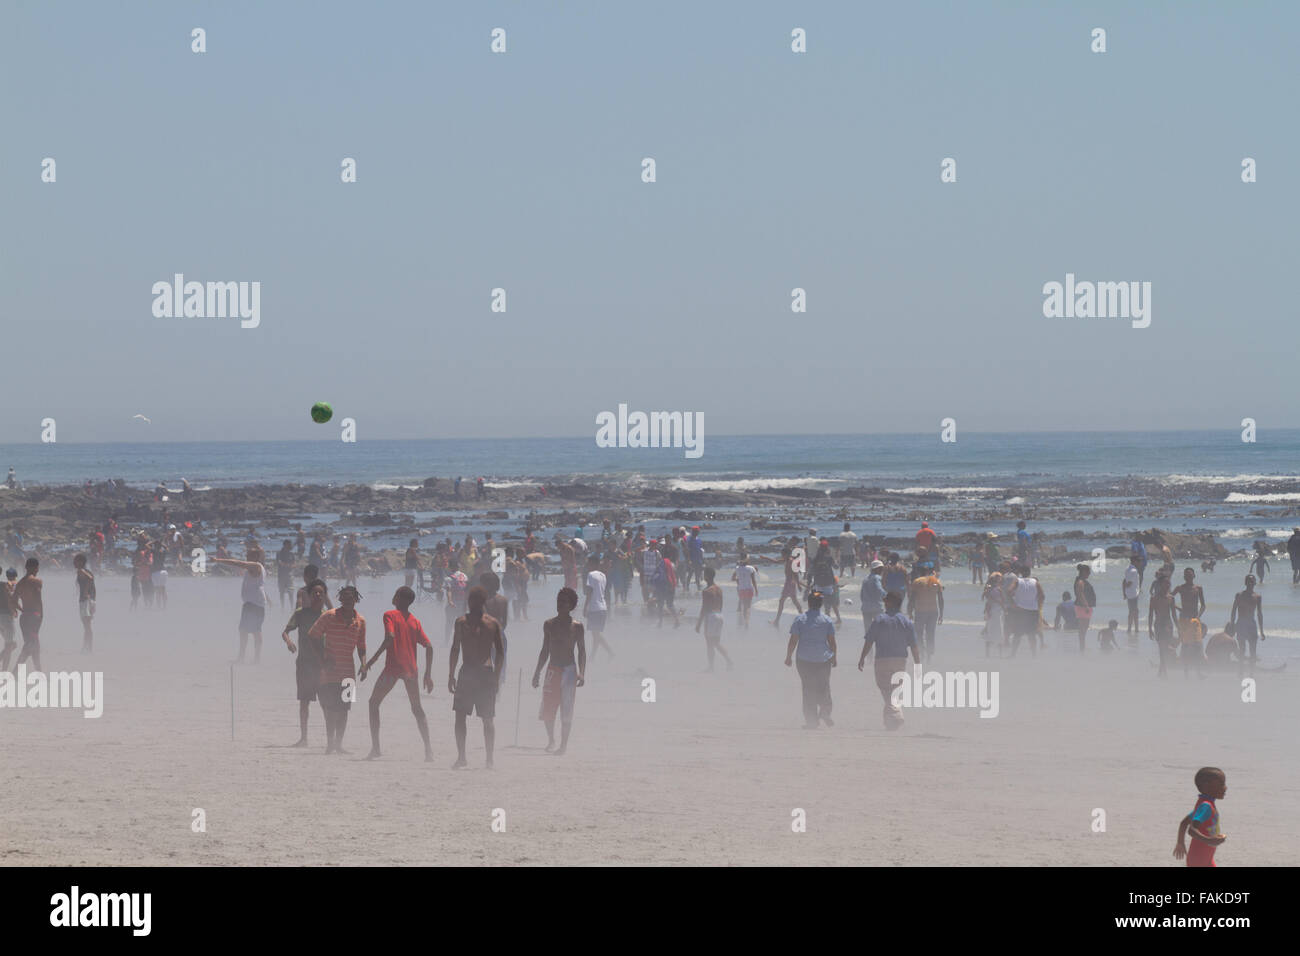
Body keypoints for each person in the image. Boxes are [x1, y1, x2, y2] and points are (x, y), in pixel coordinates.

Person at [360, 586, 434, 761]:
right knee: (417, 708)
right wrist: (427, 674)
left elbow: (390, 637)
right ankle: (428, 751)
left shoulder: (389, 615)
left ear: (400, 598)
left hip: (393, 668)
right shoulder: (415, 621)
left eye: (396, 594)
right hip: (411, 670)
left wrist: (371, 661)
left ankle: (376, 748)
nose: (393, 597)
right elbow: (429, 646)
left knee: (373, 703)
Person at [448, 585, 505, 769]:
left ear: (481, 602)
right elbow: (455, 648)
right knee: (462, 717)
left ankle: (488, 759)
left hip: (481, 673)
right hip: (470, 673)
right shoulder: (462, 622)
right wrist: (450, 674)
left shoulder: (491, 623)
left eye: (475, 601)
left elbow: (500, 652)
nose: (472, 604)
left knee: (487, 718)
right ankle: (463, 757)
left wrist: (496, 678)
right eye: (471, 601)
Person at [308, 585, 367, 754]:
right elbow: (312, 636)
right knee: (330, 708)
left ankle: (339, 744)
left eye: (351, 599)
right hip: (329, 672)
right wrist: (322, 659)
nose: (348, 601)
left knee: (344, 709)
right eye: (345, 598)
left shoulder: (360, 621)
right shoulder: (329, 616)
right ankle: (329, 744)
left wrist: (364, 665)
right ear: (340, 599)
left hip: (348, 673)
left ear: (356, 600)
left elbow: (362, 647)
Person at [532, 587, 586, 755]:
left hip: (569, 671)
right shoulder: (549, 624)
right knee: (548, 708)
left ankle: (563, 745)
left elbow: (582, 651)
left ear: (571, 606)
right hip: (552, 670)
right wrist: (537, 672)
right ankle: (551, 740)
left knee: (567, 709)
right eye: (558, 601)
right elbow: (544, 650)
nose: (560, 605)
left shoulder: (577, 627)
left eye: (563, 602)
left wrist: (582, 673)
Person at [859, 591, 920, 730]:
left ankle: (897, 715)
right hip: (900, 660)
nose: (884, 602)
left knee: (886, 690)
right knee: (895, 690)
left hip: (882, 660)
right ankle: (890, 722)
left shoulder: (879, 619)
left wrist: (862, 657)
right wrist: (917, 664)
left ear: (891, 602)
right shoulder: (906, 621)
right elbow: (914, 646)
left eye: (886, 600)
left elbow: (869, 641)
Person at [282, 579, 328, 746]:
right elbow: (285, 631)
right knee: (304, 701)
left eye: (320, 593)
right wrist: (289, 642)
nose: (317, 595)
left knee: (326, 702)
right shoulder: (301, 613)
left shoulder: (327, 616)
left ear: (324, 596)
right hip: (304, 663)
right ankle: (304, 738)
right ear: (308, 595)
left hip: (322, 665)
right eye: (314, 593)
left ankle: (330, 739)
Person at [785, 590, 837, 730]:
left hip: (804, 660)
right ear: (821, 604)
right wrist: (834, 657)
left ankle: (812, 721)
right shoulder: (827, 620)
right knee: (824, 687)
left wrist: (788, 656)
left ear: (808, 603)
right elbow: (832, 642)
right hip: (823, 659)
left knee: (808, 689)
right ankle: (825, 712)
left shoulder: (800, 619)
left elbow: (793, 641)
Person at [211, 556, 272, 664]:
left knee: (252, 631)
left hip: (253, 603)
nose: (247, 557)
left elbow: (236, 563)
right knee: (249, 630)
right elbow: (259, 585)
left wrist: (218, 560)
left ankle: (249, 658)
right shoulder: (258, 568)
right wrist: (268, 599)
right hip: (254, 602)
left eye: (250, 554)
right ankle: (247, 658)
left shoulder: (256, 565)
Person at [1173, 768, 1227, 867]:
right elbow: (1192, 830)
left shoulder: (1204, 804)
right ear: (1207, 786)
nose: (1225, 788)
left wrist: (1180, 843)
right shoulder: (1206, 806)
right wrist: (1209, 840)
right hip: (1199, 860)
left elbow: (1184, 823)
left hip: (1205, 858)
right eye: (1221, 784)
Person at [694, 567, 733, 672]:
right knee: (716, 642)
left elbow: (704, 608)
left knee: (710, 644)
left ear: (706, 576)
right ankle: (727, 661)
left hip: (711, 616)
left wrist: (699, 624)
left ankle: (713, 666)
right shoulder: (719, 589)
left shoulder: (706, 591)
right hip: (720, 616)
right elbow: (721, 605)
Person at [12, 558, 43, 672]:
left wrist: (22, 610)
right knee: (32, 645)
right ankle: (15, 671)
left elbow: (13, 600)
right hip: (34, 617)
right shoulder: (37, 581)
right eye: (37, 567)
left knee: (32, 645)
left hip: (24, 618)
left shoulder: (20, 583)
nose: (38, 570)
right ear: (35, 567)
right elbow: (39, 601)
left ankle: (38, 671)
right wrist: (41, 616)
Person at [1229, 574, 1264, 674]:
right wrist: (1232, 624)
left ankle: (1252, 673)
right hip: (1241, 623)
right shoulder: (1239, 595)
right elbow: (1233, 610)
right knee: (1242, 650)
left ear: (1254, 583)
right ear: (1245, 583)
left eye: (1252, 581)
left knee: (1253, 650)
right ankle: (1241, 671)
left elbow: (1259, 614)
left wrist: (1261, 631)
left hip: (1252, 624)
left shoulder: (1257, 597)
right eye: (1248, 581)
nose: (1250, 583)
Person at [907, 565, 943, 661]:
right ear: (929, 573)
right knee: (930, 633)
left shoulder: (917, 582)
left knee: (919, 633)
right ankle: (929, 656)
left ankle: (921, 653)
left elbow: (912, 599)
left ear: (920, 573)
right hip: (933, 612)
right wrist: (941, 614)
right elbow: (940, 599)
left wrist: (909, 612)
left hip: (920, 611)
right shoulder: (936, 581)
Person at [1008, 564, 1044, 657]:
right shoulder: (1035, 582)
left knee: (1017, 634)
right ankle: (1034, 655)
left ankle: (1013, 654)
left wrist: (1013, 604)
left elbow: (1008, 591)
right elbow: (1042, 595)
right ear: (1029, 572)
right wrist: (1037, 605)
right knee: (1032, 634)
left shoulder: (1017, 581)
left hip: (1020, 611)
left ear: (1020, 572)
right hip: (1033, 612)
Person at [1148, 574, 1178, 678]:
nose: (1168, 585)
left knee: (1164, 647)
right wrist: (1149, 629)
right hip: (1158, 625)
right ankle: (1162, 667)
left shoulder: (1171, 598)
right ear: (1160, 584)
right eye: (1166, 583)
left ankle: (1162, 668)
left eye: (1169, 583)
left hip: (1168, 625)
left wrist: (1178, 627)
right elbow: (1151, 614)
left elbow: (1174, 614)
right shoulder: (1154, 598)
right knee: (1161, 647)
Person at [583, 555, 612, 661]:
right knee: (596, 635)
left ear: (593, 564)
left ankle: (610, 652)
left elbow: (589, 592)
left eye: (589, 564)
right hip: (603, 608)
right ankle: (592, 657)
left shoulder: (590, 574)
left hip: (594, 608)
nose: (587, 566)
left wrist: (585, 607)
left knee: (596, 634)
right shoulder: (603, 575)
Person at [74, 553, 96, 654]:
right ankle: (85, 647)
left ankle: (89, 648)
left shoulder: (81, 571)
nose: (74, 562)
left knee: (87, 626)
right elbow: (91, 580)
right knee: (87, 626)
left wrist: (86, 593)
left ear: (81, 562)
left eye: (76, 561)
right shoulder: (87, 571)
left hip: (85, 601)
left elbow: (90, 579)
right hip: (91, 600)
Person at [1072, 564, 1096, 653]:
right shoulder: (1080, 582)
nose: (1089, 573)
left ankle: (1082, 646)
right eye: (1088, 572)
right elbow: (1080, 594)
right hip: (1083, 607)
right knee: (1083, 628)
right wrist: (1086, 605)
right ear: (1084, 572)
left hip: (1084, 607)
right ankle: (1082, 647)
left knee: (1084, 628)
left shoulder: (1081, 580)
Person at [858, 559, 887, 633]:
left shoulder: (865, 579)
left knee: (868, 630)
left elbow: (861, 595)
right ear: (877, 569)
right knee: (880, 630)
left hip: (865, 607)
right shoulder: (877, 578)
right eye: (881, 569)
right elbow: (879, 590)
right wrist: (888, 597)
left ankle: (868, 644)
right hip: (876, 607)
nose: (882, 571)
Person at [982, 571, 1004, 657]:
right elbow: (996, 602)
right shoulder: (997, 589)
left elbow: (988, 602)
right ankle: (1000, 654)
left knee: (990, 632)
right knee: (999, 632)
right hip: (996, 613)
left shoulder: (989, 589)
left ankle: (988, 654)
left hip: (992, 613)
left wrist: (986, 612)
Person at [732, 553, 758, 629]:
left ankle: (745, 620)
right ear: (747, 560)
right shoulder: (751, 568)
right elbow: (753, 581)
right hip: (749, 589)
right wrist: (756, 590)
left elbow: (733, 578)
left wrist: (738, 579)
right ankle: (747, 621)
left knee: (744, 606)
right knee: (748, 606)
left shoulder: (737, 568)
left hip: (741, 590)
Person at [1122, 554, 1141, 643]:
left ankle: (1131, 628)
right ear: (1134, 561)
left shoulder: (1127, 569)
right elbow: (1128, 583)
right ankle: (1134, 629)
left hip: (1129, 593)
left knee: (1133, 611)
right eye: (1138, 561)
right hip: (1133, 593)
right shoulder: (1134, 571)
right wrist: (1128, 587)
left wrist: (1124, 592)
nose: (1140, 562)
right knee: (1134, 611)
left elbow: (1124, 581)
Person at [0, 569, 16, 671]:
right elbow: (8, 598)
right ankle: (4, 672)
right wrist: (13, 611)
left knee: (11, 644)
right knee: (10, 645)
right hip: (5, 616)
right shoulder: (3, 585)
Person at [275, 539, 295, 609]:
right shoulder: (279, 553)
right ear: (285, 545)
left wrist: (290, 566)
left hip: (290, 576)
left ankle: (292, 608)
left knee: (291, 592)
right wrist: (287, 565)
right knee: (282, 592)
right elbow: (279, 562)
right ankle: (282, 608)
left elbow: (293, 564)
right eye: (289, 544)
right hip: (281, 576)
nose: (291, 546)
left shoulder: (291, 554)